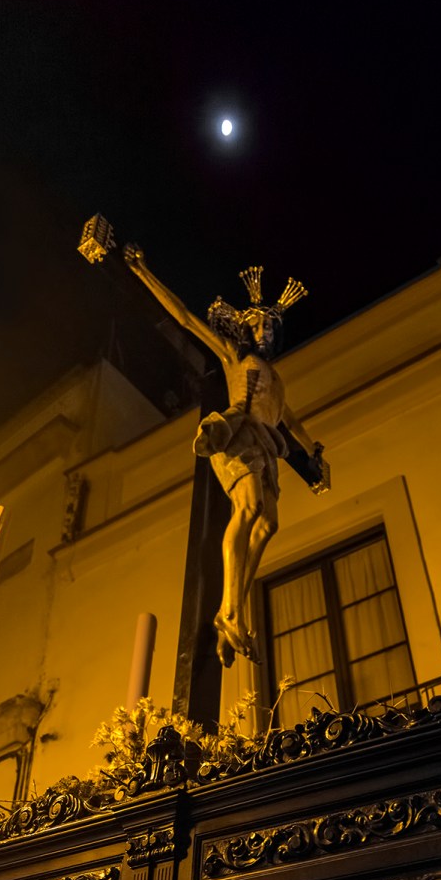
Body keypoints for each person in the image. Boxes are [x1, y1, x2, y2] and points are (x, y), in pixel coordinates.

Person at [124, 246, 325, 667]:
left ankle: (229, 609)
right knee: (249, 507)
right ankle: (231, 610)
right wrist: (143, 270)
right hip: (235, 435)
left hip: (268, 446)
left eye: (270, 325)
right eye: (255, 323)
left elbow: (291, 423)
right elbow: (183, 317)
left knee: (269, 522)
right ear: (245, 330)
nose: (263, 331)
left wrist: (314, 453)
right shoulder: (237, 356)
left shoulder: (278, 379)